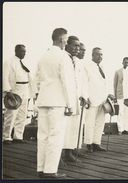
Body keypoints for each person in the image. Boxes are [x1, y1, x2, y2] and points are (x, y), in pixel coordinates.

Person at [34, 28, 74, 178]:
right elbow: (67, 82)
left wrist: (38, 96)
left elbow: (36, 79)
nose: (66, 42)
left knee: (42, 135)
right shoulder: (63, 57)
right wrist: (70, 104)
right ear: (61, 39)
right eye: (66, 39)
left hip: (43, 99)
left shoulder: (43, 55)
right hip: (58, 101)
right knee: (56, 136)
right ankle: (50, 171)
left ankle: (40, 168)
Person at [62, 36, 89, 163]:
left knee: (74, 126)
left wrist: (84, 96)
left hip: (76, 99)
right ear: (67, 45)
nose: (77, 49)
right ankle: (64, 151)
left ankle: (71, 150)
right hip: (64, 99)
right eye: (75, 46)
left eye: (79, 46)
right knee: (65, 127)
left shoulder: (78, 62)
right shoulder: (62, 58)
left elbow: (83, 81)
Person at [83, 47, 115, 153]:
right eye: (97, 54)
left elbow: (105, 83)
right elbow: (84, 83)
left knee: (100, 123)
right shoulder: (87, 67)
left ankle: (96, 143)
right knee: (90, 122)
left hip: (102, 100)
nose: (100, 56)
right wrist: (86, 97)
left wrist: (109, 93)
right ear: (92, 55)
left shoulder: (103, 67)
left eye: (101, 54)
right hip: (92, 99)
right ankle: (89, 143)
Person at [3, 44, 33, 144]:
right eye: (22, 51)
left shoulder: (25, 63)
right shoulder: (9, 62)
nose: (24, 53)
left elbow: (30, 78)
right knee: (11, 114)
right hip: (15, 90)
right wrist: (8, 91)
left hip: (25, 89)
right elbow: (4, 77)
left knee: (22, 114)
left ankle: (18, 136)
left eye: (25, 51)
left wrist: (31, 93)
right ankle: (6, 137)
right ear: (16, 51)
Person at [114, 57, 128, 135]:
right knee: (120, 113)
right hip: (120, 95)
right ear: (122, 62)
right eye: (125, 62)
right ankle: (120, 129)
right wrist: (115, 96)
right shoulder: (118, 72)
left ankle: (126, 129)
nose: (127, 64)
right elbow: (115, 85)